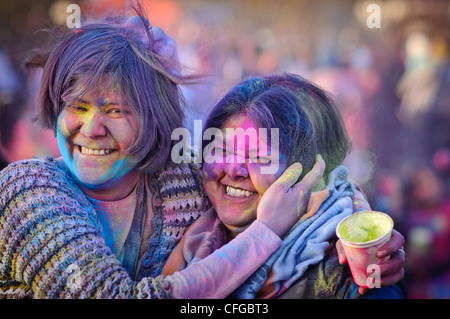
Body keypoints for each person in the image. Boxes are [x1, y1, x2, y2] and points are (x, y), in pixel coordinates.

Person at [0, 15, 326, 299]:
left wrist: (364, 237)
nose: (92, 128)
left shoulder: (177, 179)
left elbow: (294, 185)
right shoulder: (27, 191)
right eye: (77, 107)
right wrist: (265, 233)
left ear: (153, 119)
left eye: (116, 110)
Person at [161, 73, 407, 298]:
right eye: (222, 149)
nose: (233, 170)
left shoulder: (350, 272)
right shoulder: (182, 222)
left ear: (310, 175)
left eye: (260, 157)